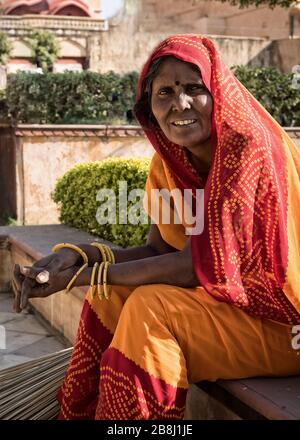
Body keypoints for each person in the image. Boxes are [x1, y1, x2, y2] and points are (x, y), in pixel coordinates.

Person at [12, 34, 300, 420]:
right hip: (231, 309)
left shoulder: (248, 150)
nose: (180, 104)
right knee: (110, 294)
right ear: (148, 106)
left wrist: (86, 275)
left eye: (194, 88)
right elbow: (160, 252)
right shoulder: (170, 162)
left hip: (285, 324)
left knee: (151, 308)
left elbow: (200, 265)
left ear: (217, 93)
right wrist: (74, 257)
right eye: (165, 92)